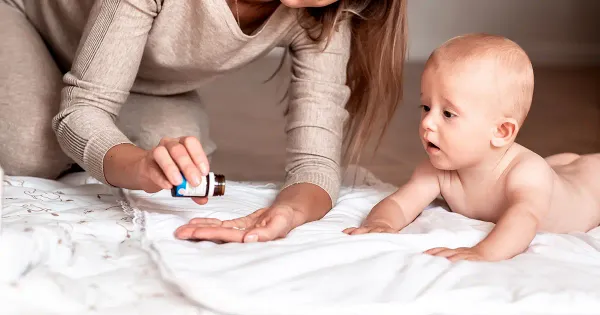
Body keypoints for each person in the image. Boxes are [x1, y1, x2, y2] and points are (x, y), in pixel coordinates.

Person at [0, 0, 407, 243]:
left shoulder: (325, 19)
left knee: (176, 157)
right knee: (31, 152)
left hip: (137, 80)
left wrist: (288, 213)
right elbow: (82, 109)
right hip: (26, 21)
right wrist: (132, 164)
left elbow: (315, 164)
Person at [343, 33, 600, 262]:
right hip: (561, 173)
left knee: (576, 171)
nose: (427, 122)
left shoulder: (526, 173)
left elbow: (524, 219)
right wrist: (382, 223)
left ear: (501, 132)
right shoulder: (438, 170)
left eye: (448, 113)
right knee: (561, 167)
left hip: (590, 187)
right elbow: (401, 203)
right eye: (426, 107)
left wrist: (484, 252)